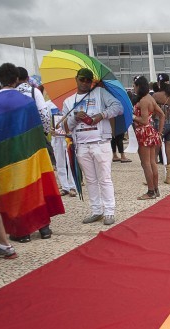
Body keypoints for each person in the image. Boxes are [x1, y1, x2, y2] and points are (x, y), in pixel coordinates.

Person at [0, 63, 64, 242]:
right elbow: (40, 123)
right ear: (17, 79)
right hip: (31, 151)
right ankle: (44, 228)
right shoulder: (27, 101)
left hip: (5, 156)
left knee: (13, 191)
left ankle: (22, 232)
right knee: (34, 187)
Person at [63, 68, 123, 225]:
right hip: (81, 145)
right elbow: (66, 126)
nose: (85, 83)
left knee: (105, 178)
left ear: (92, 82)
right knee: (90, 180)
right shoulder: (69, 102)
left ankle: (109, 211)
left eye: (88, 80)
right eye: (82, 79)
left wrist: (101, 115)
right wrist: (75, 118)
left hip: (100, 143)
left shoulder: (100, 93)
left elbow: (118, 107)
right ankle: (97, 210)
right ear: (76, 79)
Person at [132, 76, 163, 200]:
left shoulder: (144, 100)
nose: (133, 88)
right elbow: (162, 114)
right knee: (152, 162)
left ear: (139, 86)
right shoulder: (150, 98)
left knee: (145, 163)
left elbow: (144, 120)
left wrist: (133, 116)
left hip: (143, 131)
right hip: (151, 131)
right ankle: (155, 189)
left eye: (134, 86)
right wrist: (159, 132)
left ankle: (150, 191)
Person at [152, 74, 170, 184]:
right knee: (169, 151)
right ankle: (169, 177)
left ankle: (153, 178)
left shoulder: (156, 96)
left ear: (159, 83)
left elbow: (152, 113)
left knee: (155, 151)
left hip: (159, 124)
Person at [48, 102, 77, 197]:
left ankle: (73, 186)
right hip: (56, 137)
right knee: (60, 162)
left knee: (70, 162)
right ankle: (65, 187)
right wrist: (50, 129)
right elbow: (46, 120)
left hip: (68, 136)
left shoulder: (71, 102)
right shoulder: (48, 104)